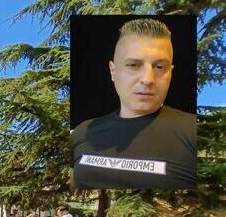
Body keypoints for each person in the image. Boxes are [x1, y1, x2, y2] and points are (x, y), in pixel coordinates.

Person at [71, 18, 196, 189]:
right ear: (113, 71)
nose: (147, 79)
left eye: (160, 67)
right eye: (134, 65)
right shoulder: (82, 132)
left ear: (170, 73)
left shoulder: (194, 132)